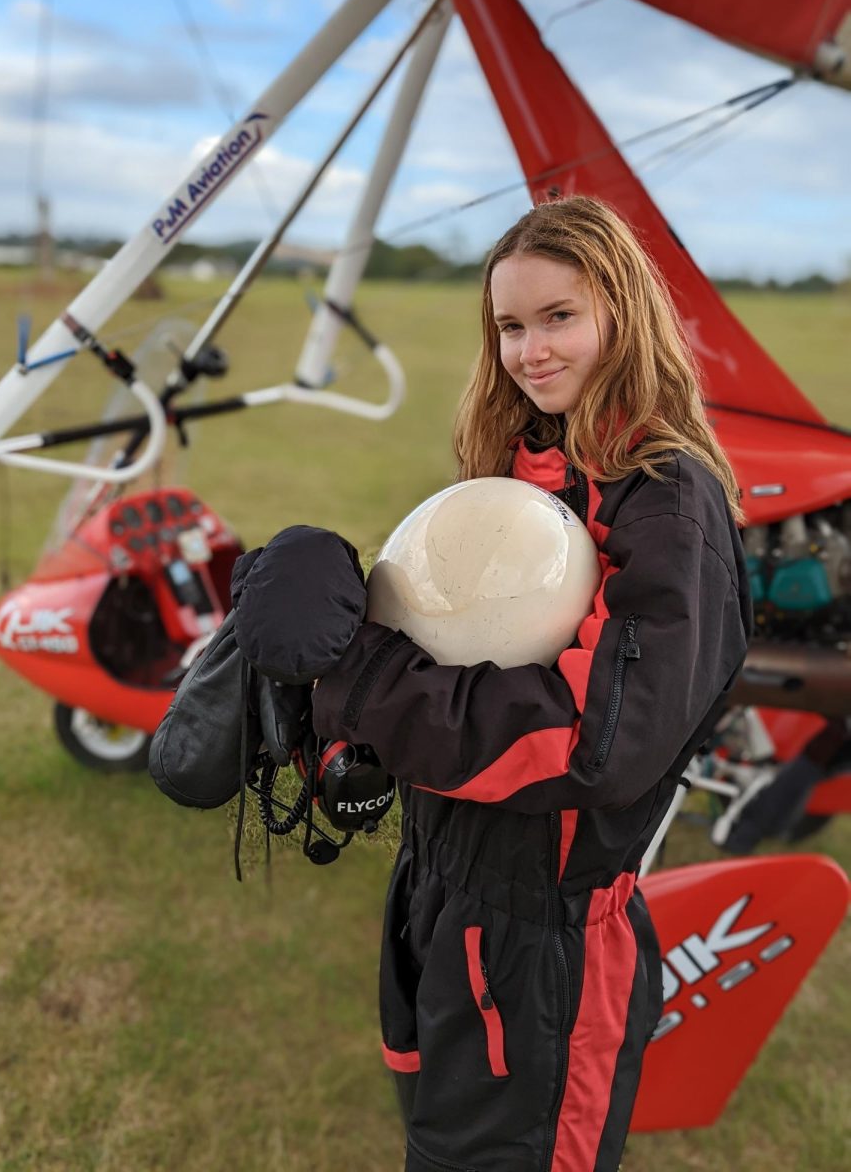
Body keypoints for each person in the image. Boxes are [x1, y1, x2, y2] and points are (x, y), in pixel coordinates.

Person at [311, 195, 752, 1172]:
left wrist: (358, 682)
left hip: (547, 938)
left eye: (560, 317)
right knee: (437, 1144)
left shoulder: (668, 499)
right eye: (510, 326)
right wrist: (327, 638)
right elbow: (444, 626)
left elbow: (590, 747)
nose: (530, 351)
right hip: (435, 882)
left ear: (621, 317)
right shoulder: (520, 461)